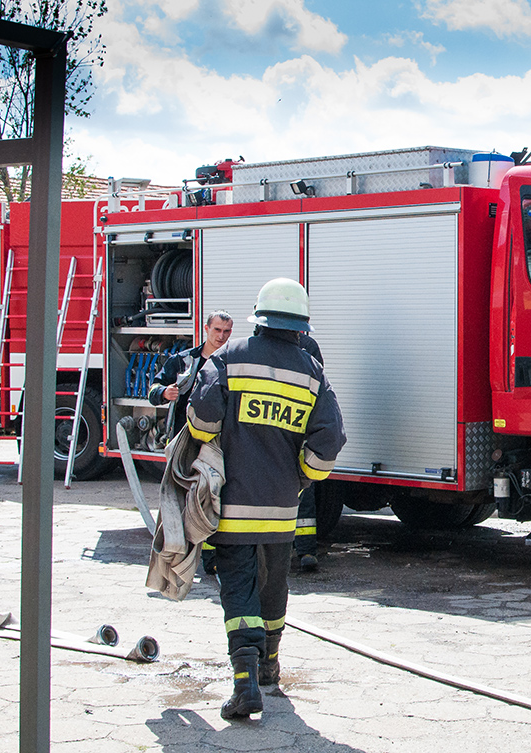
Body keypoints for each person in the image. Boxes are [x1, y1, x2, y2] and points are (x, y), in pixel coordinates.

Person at [187, 278, 345, 720]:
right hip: (281, 509)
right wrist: (302, 478)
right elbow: (331, 438)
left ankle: (244, 682)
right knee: (275, 588)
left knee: (238, 589)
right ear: (299, 325)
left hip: (232, 506)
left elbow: (202, 418)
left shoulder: (229, 356)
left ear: (259, 318)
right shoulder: (312, 372)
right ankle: (271, 665)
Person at [149, 310, 233, 574]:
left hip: (219, 443)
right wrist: (164, 392)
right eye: (217, 330)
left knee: (212, 498)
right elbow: (153, 391)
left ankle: (212, 560)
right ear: (206, 329)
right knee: (186, 500)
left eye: (227, 331)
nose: (221, 336)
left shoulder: (232, 362)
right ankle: (181, 557)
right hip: (186, 441)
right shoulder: (183, 361)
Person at [293, 329, 323, 574]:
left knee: (304, 491)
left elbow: (317, 387)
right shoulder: (250, 348)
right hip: (274, 433)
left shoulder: (307, 347)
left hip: (297, 431)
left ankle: (306, 550)